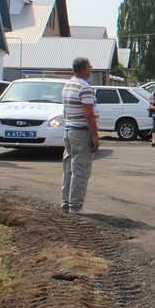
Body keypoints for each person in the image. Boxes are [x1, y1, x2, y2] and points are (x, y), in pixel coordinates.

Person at [60, 56, 100, 215]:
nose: (91, 69)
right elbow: (88, 115)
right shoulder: (85, 87)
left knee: (69, 168)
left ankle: (66, 202)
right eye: (90, 66)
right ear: (84, 69)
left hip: (69, 130)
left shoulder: (68, 85)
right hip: (81, 131)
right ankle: (76, 206)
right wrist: (95, 137)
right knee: (81, 169)